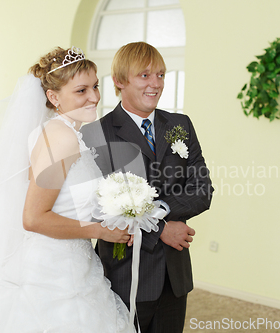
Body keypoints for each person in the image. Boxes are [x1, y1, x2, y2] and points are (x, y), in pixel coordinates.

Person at [0, 46, 135, 333]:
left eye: (95, 86)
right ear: (53, 97)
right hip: (53, 273)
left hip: (72, 260)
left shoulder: (65, 133)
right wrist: (99, 230)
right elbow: (33, 218)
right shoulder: (60, 138)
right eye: (81, 90)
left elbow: (63, 201)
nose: (94, 96)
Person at [81, 42, 214, 333]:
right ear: (119, 81)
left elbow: (202, 189)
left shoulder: (181, 124)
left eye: (161, 75)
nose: (156, 84)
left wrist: (162, 213)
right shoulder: (94, 134)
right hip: (124, 272)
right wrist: (163, 229)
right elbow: (104, 205)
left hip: (174, 275)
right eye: (144, 75)